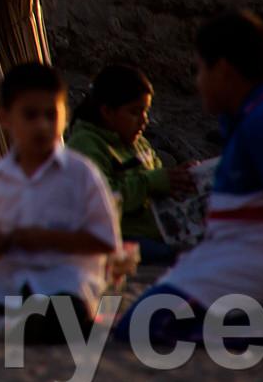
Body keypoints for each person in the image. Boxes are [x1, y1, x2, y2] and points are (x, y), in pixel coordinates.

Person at [115, 10, 263, 345]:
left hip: (254, 260)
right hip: (230, 253)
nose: (197, 82)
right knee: (138, 321)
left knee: (146, 325)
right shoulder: (250, 118)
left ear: (225, 72)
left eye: (200, 70)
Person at [0, 62, 120, 345]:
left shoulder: (81, 174)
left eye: (51, 115)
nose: (42, 125)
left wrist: (47, 239)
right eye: (30, 115)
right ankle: (11, 326)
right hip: (8, 286)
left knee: (64, 312)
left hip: (64, 285)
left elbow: (107, 240)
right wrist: (0, 243)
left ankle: (10, 329)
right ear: (5, 119)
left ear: (65, 117)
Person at [65, 63, 193, 263]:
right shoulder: (86, 145)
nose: (144, 121)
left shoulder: (138, 142)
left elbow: (158, 177)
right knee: (180, 259)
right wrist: (150, 183)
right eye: (135, 112)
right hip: (118, 239)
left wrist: (178, 178)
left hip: (158, 230)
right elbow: (102, 201)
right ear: (107, 111)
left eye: (145, 112)